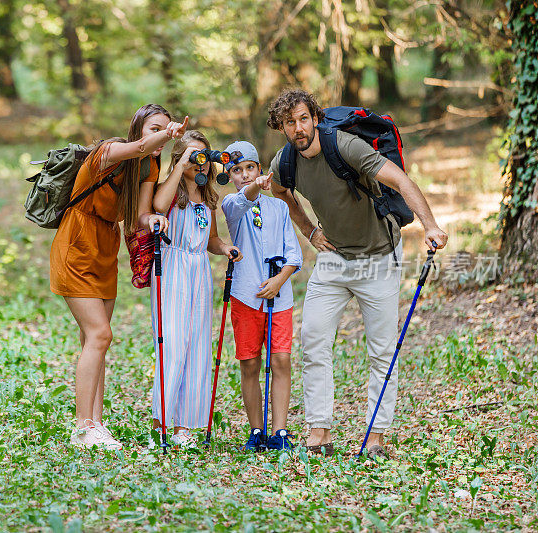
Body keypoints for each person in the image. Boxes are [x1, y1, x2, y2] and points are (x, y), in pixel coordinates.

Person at [266, 89, 448, 458]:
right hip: (334, 260)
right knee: (314, 341)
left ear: (315, 118)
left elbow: (399, 180)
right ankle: (319, 432)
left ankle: (376, 437)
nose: (298, 128)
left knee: (382, 351)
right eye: (290, 122)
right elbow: (282, 192)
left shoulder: (346, 146)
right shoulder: (285, 161)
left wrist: (430, 225)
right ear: (281, 127)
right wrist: (309, 231)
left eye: (303, 118)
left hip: (379, 258)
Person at [50, 104, 188, 449]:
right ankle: (83, 426)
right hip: (76, 243)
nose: (161, 134)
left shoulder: (151, 166)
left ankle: (95, 424)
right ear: (138, 129)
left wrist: (151, 221)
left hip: (105, 247)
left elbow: (140, 213)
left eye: (167, 128)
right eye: (155, 127)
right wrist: (168, 134)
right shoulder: (109, 152)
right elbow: (141, 148)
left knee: (93, 341)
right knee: (100, 334)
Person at [149, 130, 242, 448]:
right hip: (172, 268)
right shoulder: (172, 192)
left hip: (199, 272)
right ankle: (162, 421)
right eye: (193, 156)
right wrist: (179, 167)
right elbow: (158, 206)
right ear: (180, 159)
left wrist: (224, 247)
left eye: (204, 156)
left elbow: (211, 239)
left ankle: (184, 426)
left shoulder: (208, 198)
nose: (200, 163)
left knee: (197, 345)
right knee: (172, 342)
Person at [220, 141, 302, 451]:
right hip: (246, 295)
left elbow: (294, 254)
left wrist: (279, 280)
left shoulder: (278, 207)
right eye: (236, 170)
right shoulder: (232, 205)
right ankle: (256, 429)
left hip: (279, 298)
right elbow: (244, 198)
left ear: (259, 168)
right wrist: (252, 186)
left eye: (250, 168)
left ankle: (279, 431)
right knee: (250, 363)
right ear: (230, 176)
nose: (244, 174)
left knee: (281, 359)